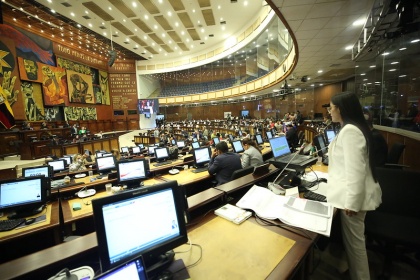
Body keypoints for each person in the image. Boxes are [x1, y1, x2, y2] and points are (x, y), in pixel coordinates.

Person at [327, 92, 382, 280]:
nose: (329, 112)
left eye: (331, 108)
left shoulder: (351, 131)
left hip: (352, 200)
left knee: (355, 245)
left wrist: (352, 202)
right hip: (350, 196)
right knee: (353, 243)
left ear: (340, 109)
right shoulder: (351, 128)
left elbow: (355, 171)